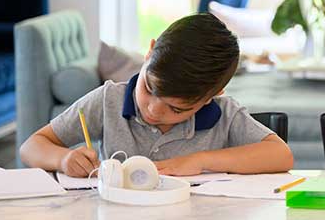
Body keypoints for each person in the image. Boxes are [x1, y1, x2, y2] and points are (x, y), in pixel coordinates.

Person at [20, 13, 293, 177]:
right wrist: (63, 159)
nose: (153, 110)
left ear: (213, 95)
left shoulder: (223, 114)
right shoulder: (108, 101)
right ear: (148, 52)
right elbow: (31, 146)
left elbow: (281, 155)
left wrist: (198, 161)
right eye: (149, 89)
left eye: (176, 109)